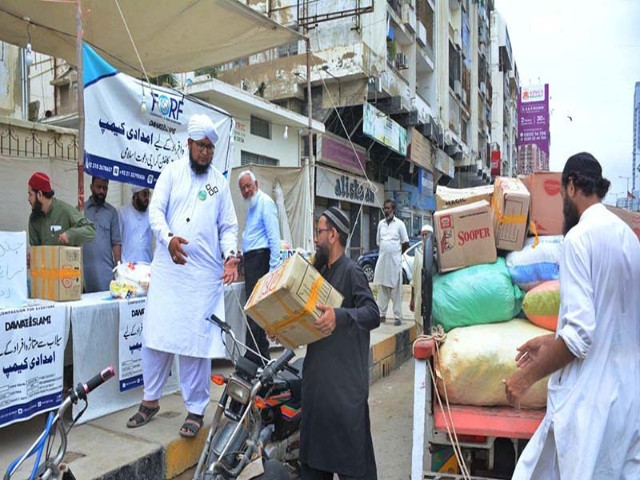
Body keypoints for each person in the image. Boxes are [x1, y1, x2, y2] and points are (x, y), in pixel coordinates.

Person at [505, 152, 640, 480]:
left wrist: (524, 379)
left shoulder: (579, 238)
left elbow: (579, 338)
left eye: (564, 192)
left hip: (591, 404)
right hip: (628, 402)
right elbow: (612, 323)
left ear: (572, 186)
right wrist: (551, 339)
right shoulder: (629, 240)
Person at [127, 113, 239, 438]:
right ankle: (150, 400)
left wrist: (230, 257)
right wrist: (169, 239)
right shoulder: (171, 173)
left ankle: (195, 409)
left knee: (195, 346)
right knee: (155, 338)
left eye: (210, 147)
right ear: (188, 144)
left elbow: (228, 226)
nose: (206, 152)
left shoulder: (219, 182)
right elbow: (155, 212)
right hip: (169, 273)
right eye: (201, 146)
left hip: (203, 278)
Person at [301, 207, 380, 480]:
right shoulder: (319, 272)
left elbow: (372, 314)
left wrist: (341, 316)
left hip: (344, 395)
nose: (315, 239)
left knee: (352, 467)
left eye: (319, 232)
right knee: (313, 465)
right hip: (318, 392)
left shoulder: (352, 272)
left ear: (333, 235)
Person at [238, 170, 281, 365]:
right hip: (252, 260)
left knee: (256, 310)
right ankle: (259, 357)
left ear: (256, 184)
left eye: (249, 186)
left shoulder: (265, 203)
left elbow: (274, 239)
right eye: (243, 188)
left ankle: (255, 357)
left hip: (261, 261)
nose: (247, 190)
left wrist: (273, 272)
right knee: (254, 310)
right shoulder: (251, 206)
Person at [27, 171, 96, 246]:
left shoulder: (65, 210)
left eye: (30, 194)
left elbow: (90, 229)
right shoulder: (34, 218)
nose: (28, 199)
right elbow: (35, 248)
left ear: (39, 194)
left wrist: (70, 235)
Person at [373, 199, 409, 326]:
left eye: (388, 208)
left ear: (393, 210)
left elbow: (405, 243)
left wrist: (396, 254)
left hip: (395, 263)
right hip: (383, 263)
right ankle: (382, 315)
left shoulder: (400, 224)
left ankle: (398, 317)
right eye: (385, 208)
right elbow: (379, 242)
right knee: (382, 290)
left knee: (396, 291)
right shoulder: (380, 224)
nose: (386, 210)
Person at [82, 176, 122, 293]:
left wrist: (118, 269)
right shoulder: (80, 210)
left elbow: (116, 242)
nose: (101, 191)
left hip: (106, 275)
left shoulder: (111, 212)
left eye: (105, 188)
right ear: (91, 187)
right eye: (98, 187)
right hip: (85, 275)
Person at [118, 185, 153, 263]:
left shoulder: (151, 214)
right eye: (144, 194)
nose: (147, 198)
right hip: (127, 265)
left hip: (147, 264)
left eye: (148, 194)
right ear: (136, 195)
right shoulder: (123, 213)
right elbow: (117, 241)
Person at [409, 224, 433, 332]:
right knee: (419, 327)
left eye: (427, 235)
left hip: (431, 298)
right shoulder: (417, 254)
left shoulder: (434, 254)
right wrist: (412, 299)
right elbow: (414, 279)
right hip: (418, 297)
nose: (424, 237)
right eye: (423, 235)